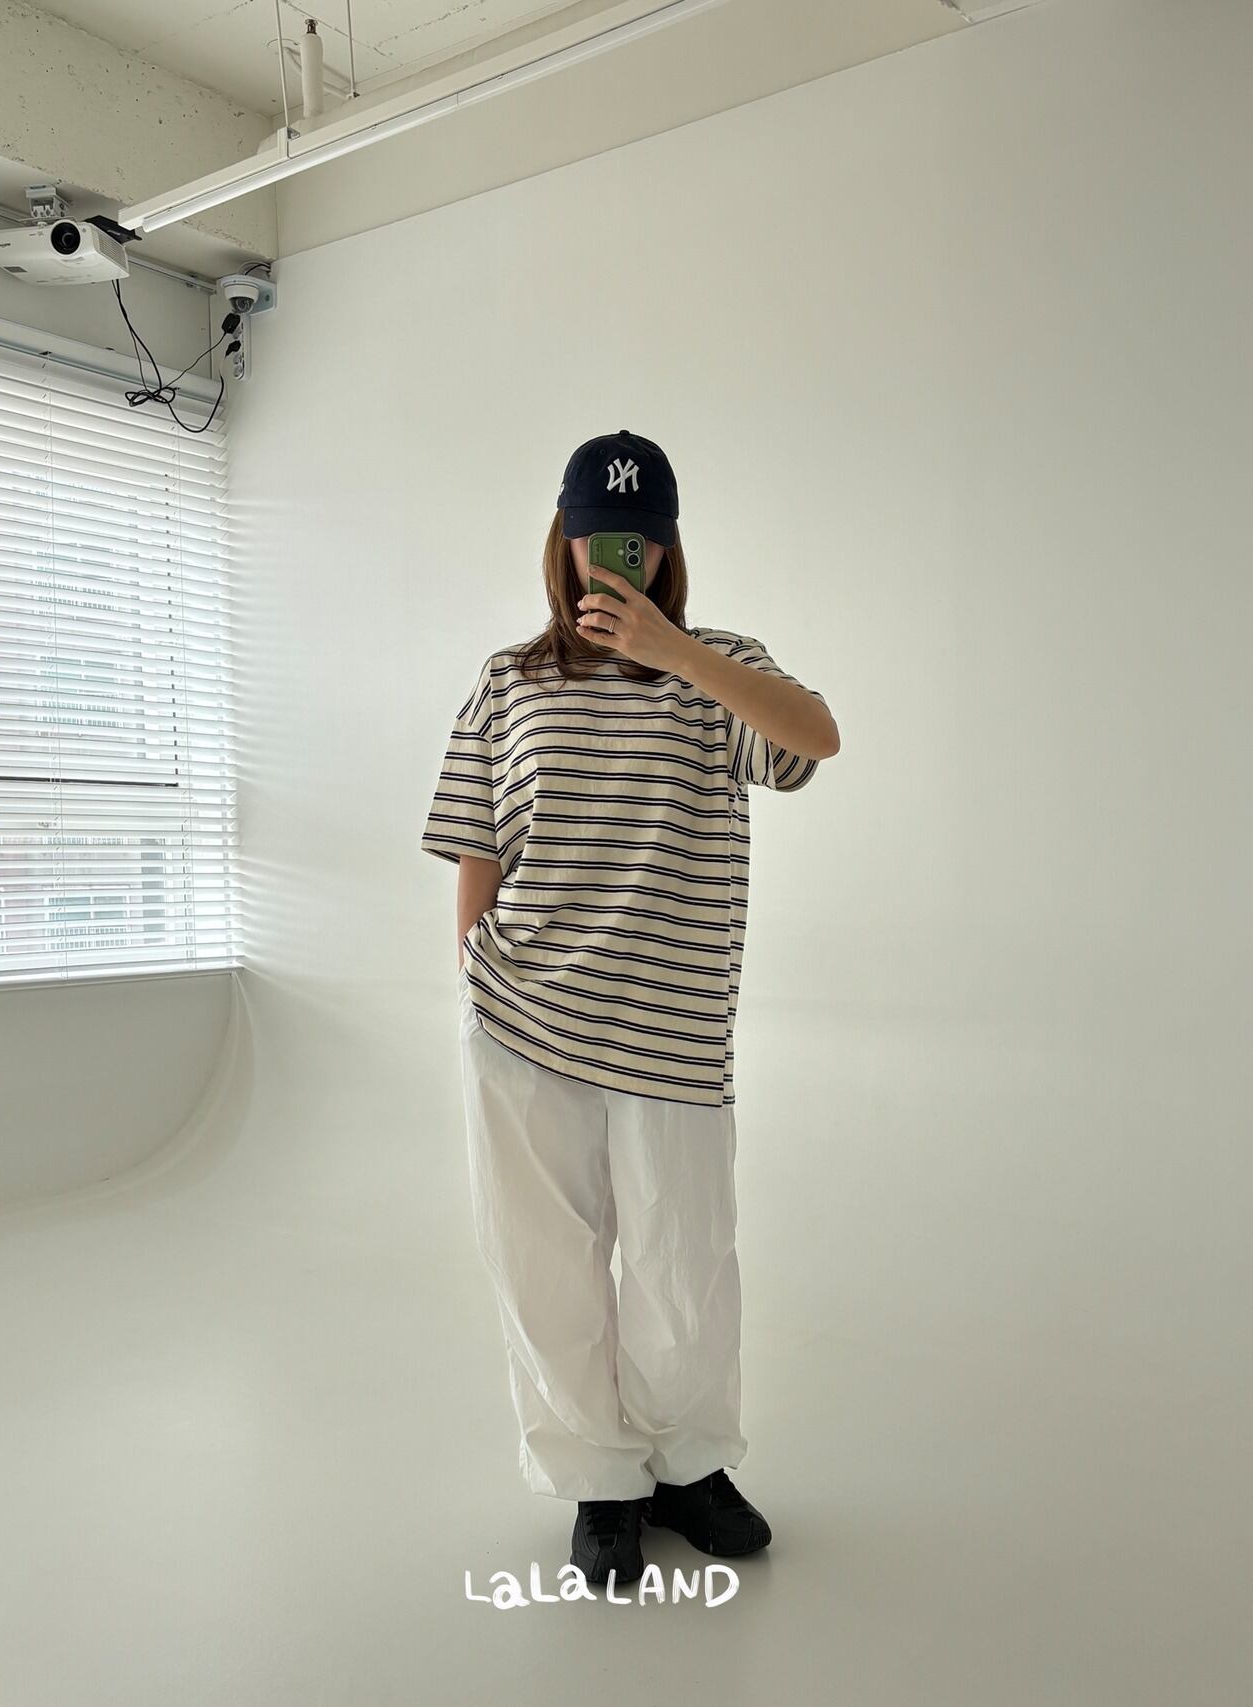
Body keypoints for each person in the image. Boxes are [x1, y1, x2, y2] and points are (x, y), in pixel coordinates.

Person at [420, 428, 840, 1587]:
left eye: (641, 539)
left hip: (670, 1023)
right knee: (544, 1262)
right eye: (599, 537)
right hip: (522, 1016)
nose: (621, 557)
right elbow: (474, 839)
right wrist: (471, 974)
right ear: (563, 541)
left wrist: (672, 650)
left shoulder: (720, 666)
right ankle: (599, 1481)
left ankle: (688, 1465)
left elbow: (814, 741)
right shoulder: (509, 679)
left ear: (665, 547)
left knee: (682, 1256)